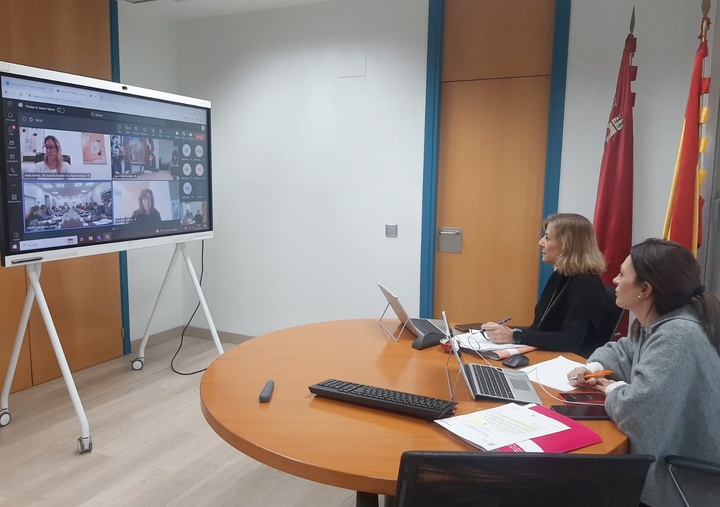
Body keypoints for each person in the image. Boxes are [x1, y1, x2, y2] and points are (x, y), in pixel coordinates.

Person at [567, 239, 720, 507]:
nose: (614, 279)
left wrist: (612, 389)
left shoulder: (678, 334)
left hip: (684, 483)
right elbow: (623, 351)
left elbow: (638, 411)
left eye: (622, 274)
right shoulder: (664, 321)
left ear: (645, 289)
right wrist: (592, 369)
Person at [482, 213, 613, 358]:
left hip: (570, 365)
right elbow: (540, 327)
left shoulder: (587, 284)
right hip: (547, 356)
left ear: (568, 244)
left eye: (548, 238)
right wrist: (505, 332)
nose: (540, 242)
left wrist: (515, 336)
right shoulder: (561, 275)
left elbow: (571, 340)